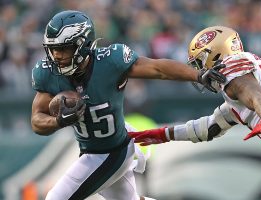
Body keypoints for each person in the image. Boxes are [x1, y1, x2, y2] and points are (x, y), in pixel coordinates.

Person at [30, 11, 226, 200]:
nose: (56, 55)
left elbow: (158, 68)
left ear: (83, 45)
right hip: (93, 149)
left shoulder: (110, 61)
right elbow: (37, 120)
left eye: (64, 48)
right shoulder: (47, 73)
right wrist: (57, 121)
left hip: (113, 150)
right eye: (53, 49)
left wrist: (198, 75)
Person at [129, 26, 261, 200]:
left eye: (200, 62)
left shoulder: (232, 72)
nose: (199, 69)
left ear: (215, 55)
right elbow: (207, 128)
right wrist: (164, 134)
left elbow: (256, 96)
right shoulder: (237, 90)